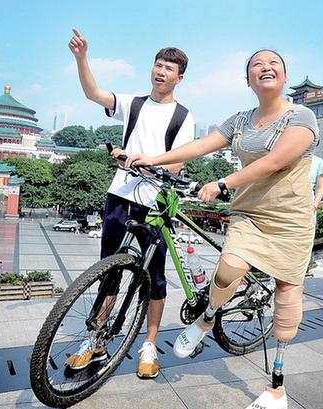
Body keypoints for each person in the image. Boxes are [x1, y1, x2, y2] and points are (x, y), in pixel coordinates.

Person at [127, 49, 318, 409]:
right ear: (248, 80)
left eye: (273, 63)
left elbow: (277, 160)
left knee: (287, 295)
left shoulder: (301, 115)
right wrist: (153, 158)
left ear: (285, 76)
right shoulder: (241, 120)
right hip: (251, 213)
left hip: (291, 219)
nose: (266, 67)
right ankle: (208, 316)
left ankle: (277, 386)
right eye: (256, 64)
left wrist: (223, 183)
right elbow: (200, 145)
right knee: (228, 271)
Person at [65, 28, 194, 379]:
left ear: (179, 77)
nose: (160, 71)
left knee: (154, 277)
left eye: (169, 68)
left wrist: (145, 159)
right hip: (120, 195)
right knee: (110, 268)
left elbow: (177, 162)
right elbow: (94, 93)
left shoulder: (183, 116)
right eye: (157, 64)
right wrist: (81, 57)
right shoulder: (134, 103)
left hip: (155, 203)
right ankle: (96, 339)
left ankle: (149, 345)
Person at [305, 154, 323, 278]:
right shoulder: (290, 155)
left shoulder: (318, 161)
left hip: (308, 205)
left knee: (306, 241)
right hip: (287, 205)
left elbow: (320, 187)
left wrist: (314, 206)